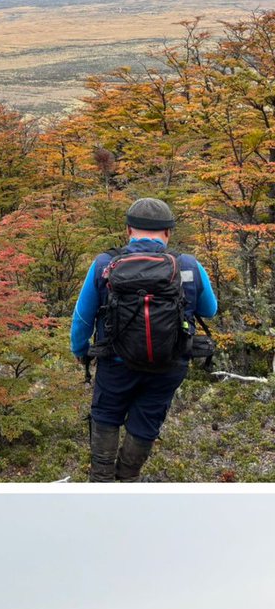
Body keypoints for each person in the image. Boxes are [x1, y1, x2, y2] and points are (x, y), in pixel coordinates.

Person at [70, 198, 218, 482]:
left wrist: (80, 349)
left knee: (106, 414)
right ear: (168, 232)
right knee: (148, 418)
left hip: (116, 361)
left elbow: (82, 318)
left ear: (129, 230)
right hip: (169, 363)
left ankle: (101, 478)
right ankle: (128, 477)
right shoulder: (188, 265)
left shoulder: (104, 264)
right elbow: (209, 310)